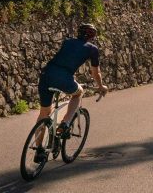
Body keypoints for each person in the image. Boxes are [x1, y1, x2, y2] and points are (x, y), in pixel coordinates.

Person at [34, 23, 107, 161]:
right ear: (92, 36)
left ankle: (39, 150)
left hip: (46, 75)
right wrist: (101, 86)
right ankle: (65, 123)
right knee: (78, 93)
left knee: (44, 114)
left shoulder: (68, 41)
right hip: (64, 78)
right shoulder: (92, 49)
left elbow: (65, 57)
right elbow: (95, 72)